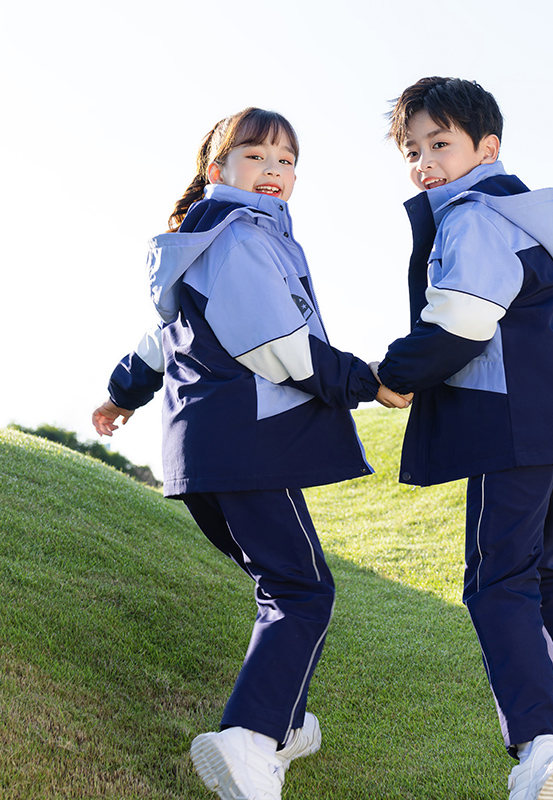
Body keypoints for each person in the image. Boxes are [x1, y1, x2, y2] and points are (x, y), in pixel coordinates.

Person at [92, 107, 410, 800]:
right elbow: (278, 348)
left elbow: (155, 346)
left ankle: (284, 727)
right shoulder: (241, 239)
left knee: (289, 585)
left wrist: (120, 398)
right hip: (247, 446)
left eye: (287, 161)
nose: (274, 172)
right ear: (218, 172)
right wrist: (370, 383)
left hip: (201, 456)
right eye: (257, 157)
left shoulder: (200, 245)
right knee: (303, 590)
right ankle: (249, 739)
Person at [374, 77, 553, 800]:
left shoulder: (473, 218)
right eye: (412, 150)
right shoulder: (552, 220)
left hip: (513, 427)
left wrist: (391, 376)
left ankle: (538, 746)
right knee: (543, 568)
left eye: (440, 144)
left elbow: (464, 319)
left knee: (497, 582)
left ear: (487, 146)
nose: (425, 162)